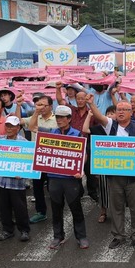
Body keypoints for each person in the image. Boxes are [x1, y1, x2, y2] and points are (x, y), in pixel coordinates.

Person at [88, 100, 135, 250]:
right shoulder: (110, 125)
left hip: (133, 176)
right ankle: (118, 235)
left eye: (124, 109)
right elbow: (99, 117)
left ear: (130, 112)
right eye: (118, 109)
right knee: (116, 207)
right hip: (114, 175)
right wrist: (91, 104)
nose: (120, 112)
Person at [44, 106, 88, 249]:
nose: (59, 120)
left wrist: (80, 169)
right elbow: (32, 128)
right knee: (56, 208)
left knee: (76, 208)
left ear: (69, 119)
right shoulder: (51, 133)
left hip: (70, 178)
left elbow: (84, 154)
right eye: (57, 117)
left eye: (62, 117)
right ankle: (58, 236)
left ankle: (81, 236)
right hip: (54, 177)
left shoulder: (77, 134)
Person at [0, 116, 32, 243]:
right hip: (2, 182)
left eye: (12, 126)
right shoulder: (0, 139)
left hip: (17, 183)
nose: (9, 128)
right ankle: (7, 230)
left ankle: (24, 230)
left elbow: (30, 162)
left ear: (18, 128)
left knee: (20, 208)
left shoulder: (24, 142)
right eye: (7, 126)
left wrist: (22, 173)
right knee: (4, 207)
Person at [55, 82, 99, 202]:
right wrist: (58, 88)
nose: (80, 101)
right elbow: (60, 101)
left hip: (87, 143)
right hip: (73, 143)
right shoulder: (71, 110)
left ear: (86, 99)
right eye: (78, 98)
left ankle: (92, 191)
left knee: (88, 168)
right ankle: (78, 191)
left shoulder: (91, 112)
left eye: (82, 98)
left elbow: (96, 128)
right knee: (75, 169)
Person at [23, 93, 56, 224]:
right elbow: (30, 127)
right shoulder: (35, 117)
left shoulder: (56, 119)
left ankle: (56, 210)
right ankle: (41, 212)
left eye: (43, 105)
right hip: (37, 157)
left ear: (50, 106)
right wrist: (35, 113)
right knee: (37, 186)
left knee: (52, 187)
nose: (41, 107)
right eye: (38, 104)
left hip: (52, 157)